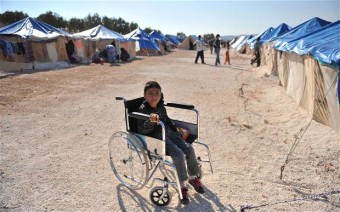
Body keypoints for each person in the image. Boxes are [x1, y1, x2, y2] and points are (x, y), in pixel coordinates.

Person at [137, 81, 205, 205]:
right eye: (150, 94)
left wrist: (176, 128)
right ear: (145, 96)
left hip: (169, 132)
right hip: (157, 136)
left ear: (160, 94)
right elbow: (142, 129)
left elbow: (167, 120)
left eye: (157, 93)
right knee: (178, 154)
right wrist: (151, 121)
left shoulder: (161, 107)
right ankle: (182, 184)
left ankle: (192, 177)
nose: (154, 96)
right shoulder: (143, 109)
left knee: (189, 149)